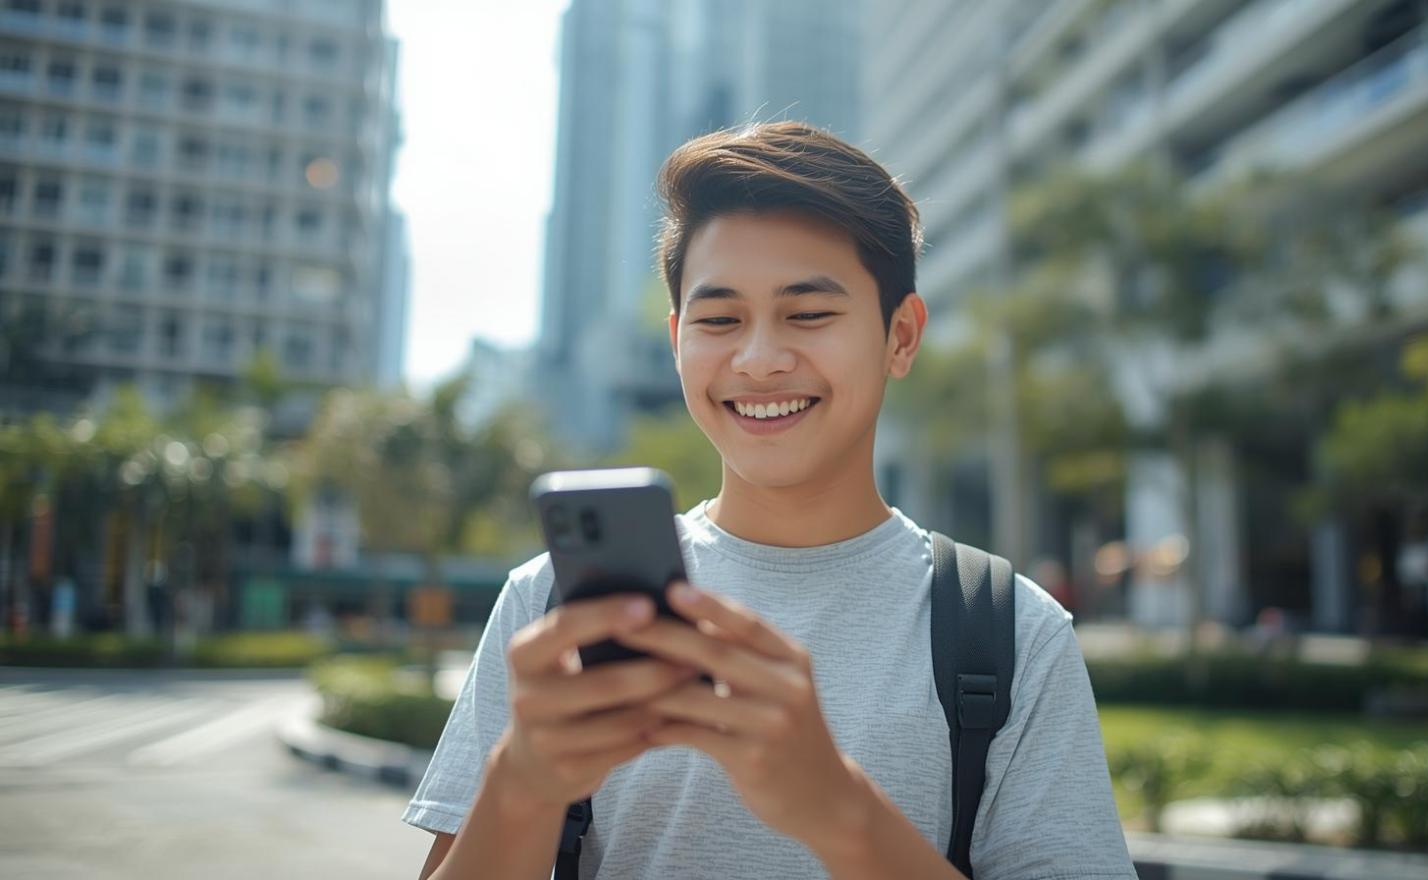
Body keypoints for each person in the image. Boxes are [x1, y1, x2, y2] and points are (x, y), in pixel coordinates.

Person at [404, 122, 1135, 879]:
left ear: (901, 336)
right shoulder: (551, 606)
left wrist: (836, 810)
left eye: (808, 314)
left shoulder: (1013, 630)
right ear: (677, 338)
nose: (757, 360)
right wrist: (521, 784)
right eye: (718, 320)